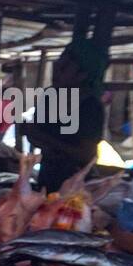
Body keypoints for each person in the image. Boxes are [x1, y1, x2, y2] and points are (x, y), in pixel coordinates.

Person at [25, 40, 106, 192]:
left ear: (82, 75)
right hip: (46, 181)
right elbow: (34, 136)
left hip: (76, 188)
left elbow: (86, 154)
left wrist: (46, 139)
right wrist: (34, 134)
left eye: (63, 68)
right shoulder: (49, 96)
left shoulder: (90, 107)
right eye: (56, 66)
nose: (55, 72)